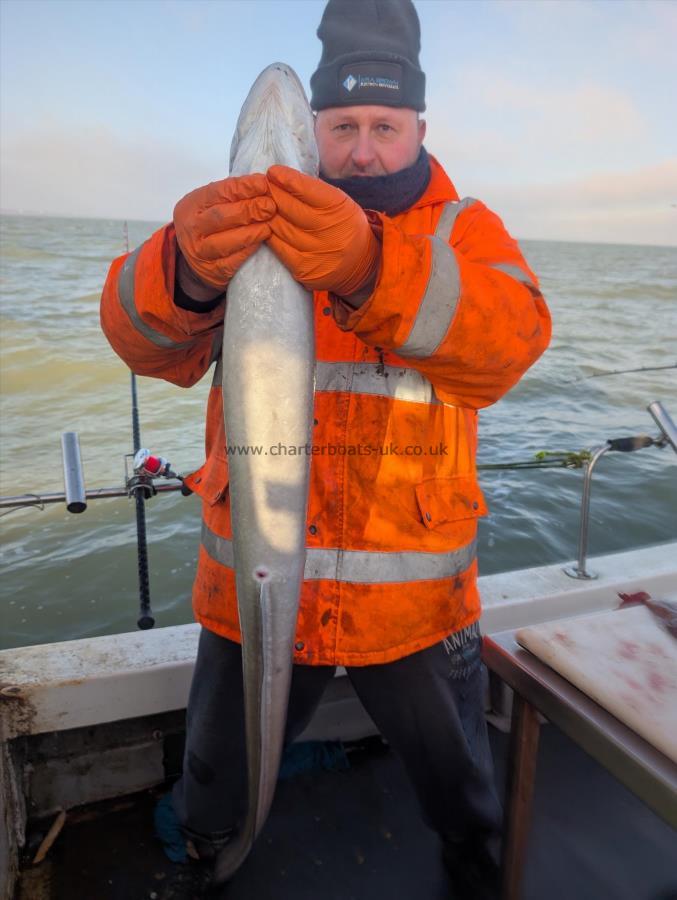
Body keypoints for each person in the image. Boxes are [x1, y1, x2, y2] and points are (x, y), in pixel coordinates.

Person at [101, 1, 551, 897]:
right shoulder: (236, 221)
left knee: (462, 797)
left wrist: (366, 268)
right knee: (215, 787)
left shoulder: (462, 229)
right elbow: (141, 342)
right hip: (250, 593)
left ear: (419, 127)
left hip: (414, 604)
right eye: (342, 126)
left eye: (385, 127)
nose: (363, 150)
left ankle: (474, 876)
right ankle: (208, 863)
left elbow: (510, 340)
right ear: (311, 130)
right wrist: (183, 272)